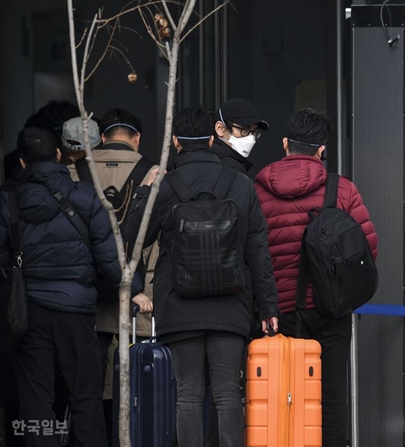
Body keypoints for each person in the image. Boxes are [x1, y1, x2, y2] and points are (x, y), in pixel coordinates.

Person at [124, 105, 279, 447]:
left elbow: (134, 238)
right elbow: (258, 251)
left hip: (179, 306)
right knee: (227, 393)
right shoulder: (240, 185)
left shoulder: (166, 186)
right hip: (231, 303)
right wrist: (268, 308)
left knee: (189, 395)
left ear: (176, 142)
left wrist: (146, 191)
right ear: (211, 140)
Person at [0, 127, 148, 447]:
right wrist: (134, 287)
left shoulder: (8, 201)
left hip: (29, 312)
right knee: (86, 396)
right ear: (57, 155)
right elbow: (110, 257)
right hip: (77, 309)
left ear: (23, 163)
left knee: (36, 401)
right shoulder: (85, 195)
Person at [255, 108, 378, 447]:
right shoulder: (342, 190)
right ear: (322, 149)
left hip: (276, 313)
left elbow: (249, 252)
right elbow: (367, 249)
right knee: (331, 394)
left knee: (277, 393)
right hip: (330, 309)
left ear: (284, 144)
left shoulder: (258, 190)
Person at [212, 98, 269, 174]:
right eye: (244, 129)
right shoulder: (232, 168)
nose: (251, 138)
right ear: (220, 129)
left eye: (254, 132)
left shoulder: (201, 157)